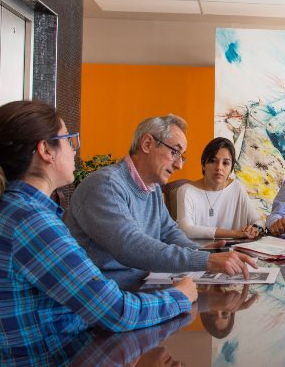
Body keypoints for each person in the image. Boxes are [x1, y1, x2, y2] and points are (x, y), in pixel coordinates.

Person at [0, 101, 199, 365]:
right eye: (69, 140)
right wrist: (180, 295)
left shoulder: (21, 211)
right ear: (46, 150)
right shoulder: (30, 221)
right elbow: (117, 311)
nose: (74, 150)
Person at [65, 114, 255, 286]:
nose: (179, 165)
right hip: (108, 298)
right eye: (175, 152)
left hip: (141, 285)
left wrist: (200, 253)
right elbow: (130, 246)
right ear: (147, 144)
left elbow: (168, 231)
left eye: (182, 157)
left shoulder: (152, 187)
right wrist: (205, 260)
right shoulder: (105, 185)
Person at [176, 137, 261, 239]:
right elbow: (186, 229)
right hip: (200, 252)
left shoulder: (237, 188)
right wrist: (236, 234)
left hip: (234, 252)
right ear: (203, 164)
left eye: (225, 163)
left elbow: (258, 221)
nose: (219, 167)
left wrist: (255, 228)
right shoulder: (186, 191)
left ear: (231, 169)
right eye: (213, 161)